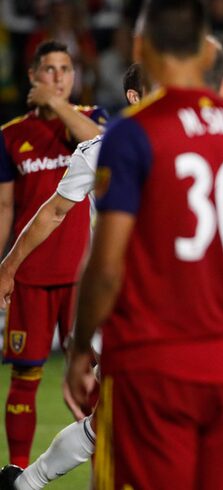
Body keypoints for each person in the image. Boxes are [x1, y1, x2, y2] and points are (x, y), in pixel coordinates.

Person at [63, 0, 223, 489]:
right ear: (207, 51)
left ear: (140, 48)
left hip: (148, 364)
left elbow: (107, 263)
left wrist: (77, 351)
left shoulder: (132, 131)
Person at [0, 64, 148, 490]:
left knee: (109, 424)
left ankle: (25, 483)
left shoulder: (189, 152)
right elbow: (53, 211)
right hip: (123, 306)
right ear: (136, 97)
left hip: (174, 305)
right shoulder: (98, 151)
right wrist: (9, 267)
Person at [0, 40, 107, 468]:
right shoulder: (10, 136)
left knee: (94, 374)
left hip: (84, 274)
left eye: (66, 69)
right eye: (49, 70)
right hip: (32, 274)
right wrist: (4, 267)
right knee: (25, 374)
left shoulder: (93, 121)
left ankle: (105, 460)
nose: (59, 77)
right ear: (32, 76)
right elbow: (5, 206)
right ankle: (18, 468)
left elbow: (100, 144)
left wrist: (57, 106)